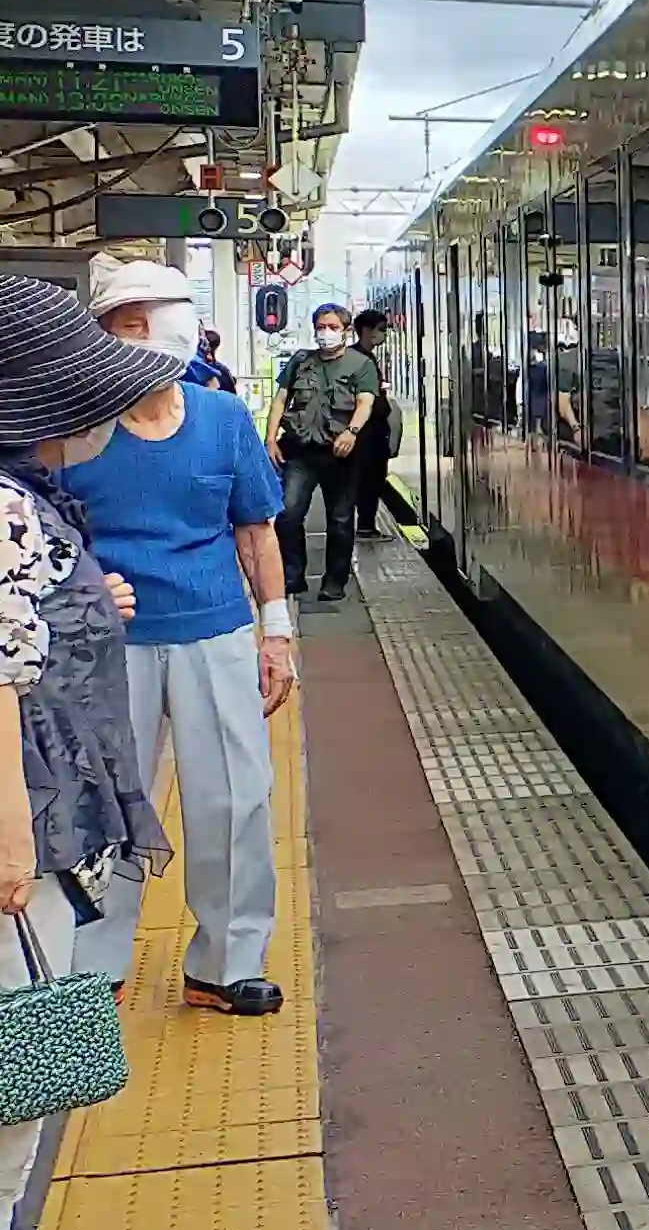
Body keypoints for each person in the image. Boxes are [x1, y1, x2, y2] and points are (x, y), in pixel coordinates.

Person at [0, 277, 186, 1230]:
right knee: (17, 1022)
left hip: (51, 796)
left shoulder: (29, 501)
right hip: (29, 810)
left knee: (21, 1020)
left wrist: (88, 599)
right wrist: (12, 842)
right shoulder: (3, 507)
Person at [63, 257, 294, 1018]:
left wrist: (276, 633)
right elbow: (38, 531)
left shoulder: (223, 419)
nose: (140, 339)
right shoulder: (71, 430)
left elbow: (255, 530)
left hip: (215, 628)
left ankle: (226, 963)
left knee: (235, 797)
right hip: (106, 642)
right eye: (121, 326)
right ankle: (93, 965)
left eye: (151, 322)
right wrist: (81, 590)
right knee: (104, 798)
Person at [267, 297, 380, 605]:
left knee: (340, 521)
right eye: (320, 327)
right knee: (287, 513)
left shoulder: (361, 365)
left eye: (332, 327)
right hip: (300, 451)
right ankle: (293, 575)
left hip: (341, 454)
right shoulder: (301, 361)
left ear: (345, 331)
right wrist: (270, 438)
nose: (325, 333)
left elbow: (365, 402)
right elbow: (280, 399)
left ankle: (335, 581)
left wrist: (351, 431)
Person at [347, 309, 400, 535]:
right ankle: (365, 526)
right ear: (366, 330)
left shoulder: (362, 356)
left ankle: (365, 524)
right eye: (381, 329)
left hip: (371, 432)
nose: (384, 334)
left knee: (370, 480)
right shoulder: (358, 359)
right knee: (368, 480)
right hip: (366, 433)